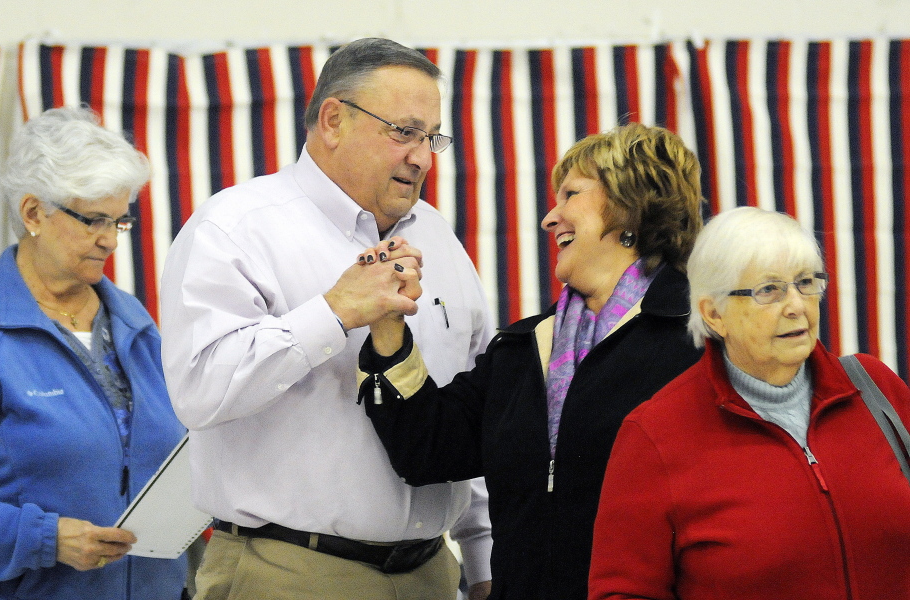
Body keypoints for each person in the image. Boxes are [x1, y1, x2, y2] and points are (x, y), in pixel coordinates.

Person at [158, 38, 494, 600]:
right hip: (287, 573)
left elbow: (470, 407)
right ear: (333, 119)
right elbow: (198, 389)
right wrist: (332, 313)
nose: (422, 157)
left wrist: (482, 558)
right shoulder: (235, 227)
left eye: (432, 138)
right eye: (404, 132)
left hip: (433, 573)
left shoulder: (437, 235)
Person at [356, 122, 705, 600]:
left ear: (629, 204)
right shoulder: (525, 348)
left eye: (571, 195)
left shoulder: (701, 340)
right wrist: (388, 330)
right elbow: (427, 448)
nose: (549, 217)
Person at [0, 107, 188, 600]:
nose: (109, 239)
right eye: (93, 220)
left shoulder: (134, 323)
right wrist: (45, 539)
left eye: (119, 221)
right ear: (34, 213)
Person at [587, 207, 910, 600]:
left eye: (806, 282)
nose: (796, 305)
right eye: (768, 290)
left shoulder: (875, 388)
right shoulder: (655, 435)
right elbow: (623, 591)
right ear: (714, 313)